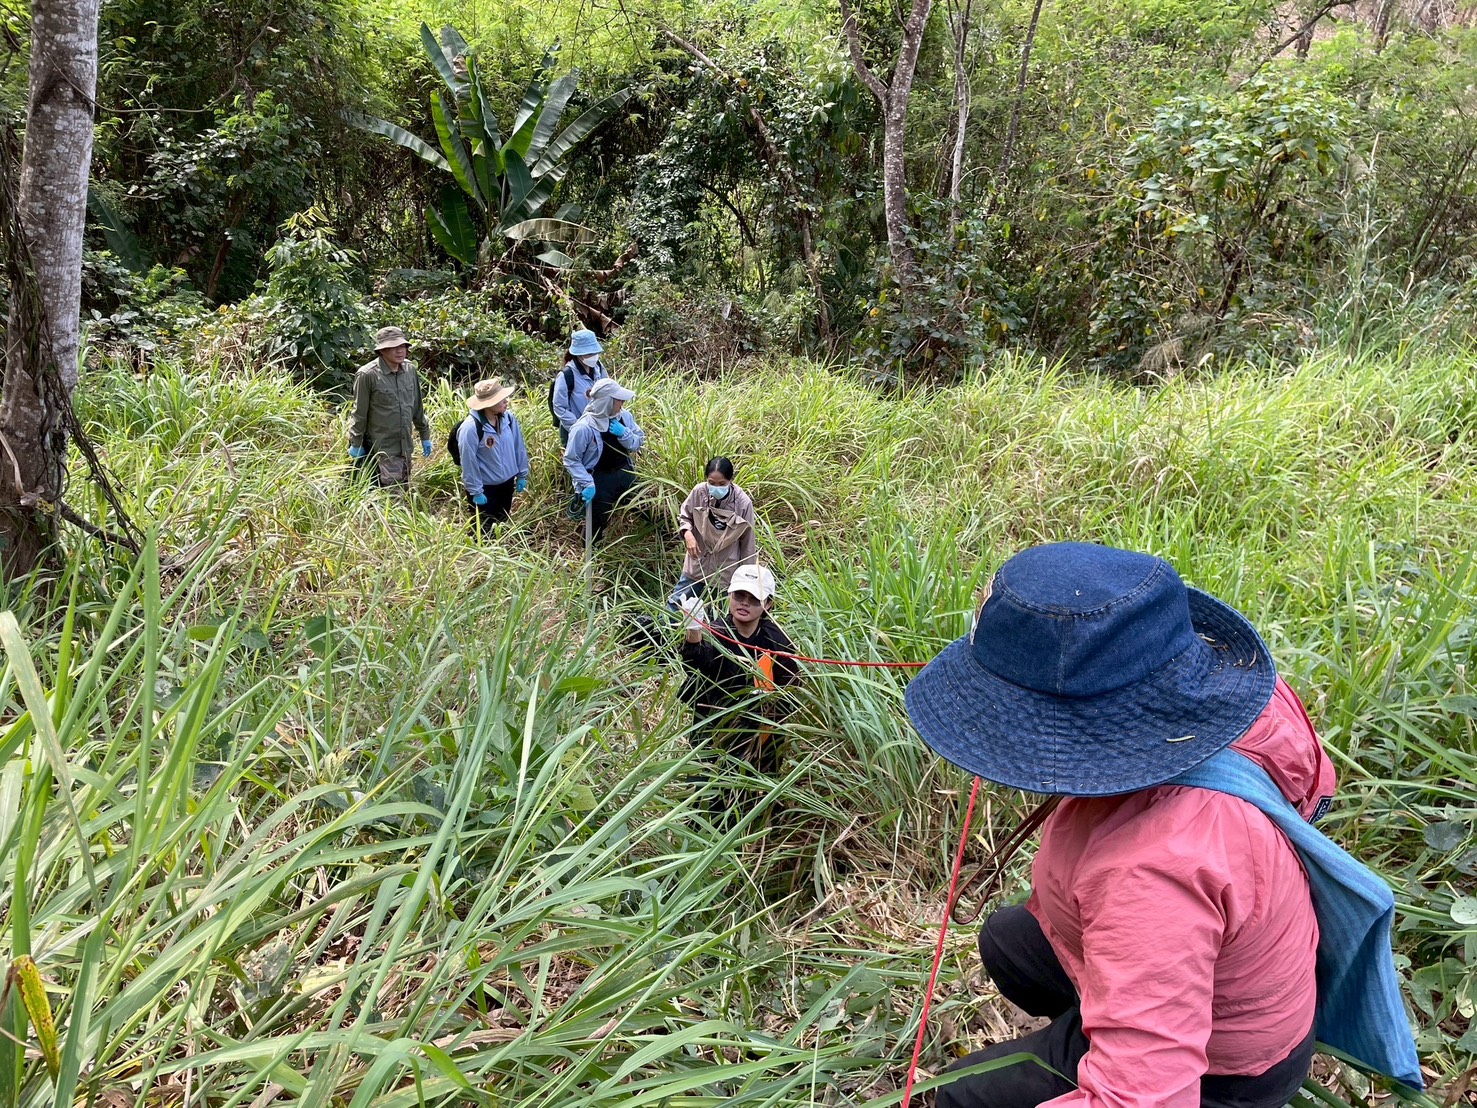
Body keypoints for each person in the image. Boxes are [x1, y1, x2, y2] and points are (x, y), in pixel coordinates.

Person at [903, 542, 1422, 1108]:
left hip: (1221, 1070)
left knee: (958, 1098)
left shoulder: (1151, 873)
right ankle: (1123, 1018)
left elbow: (1142, 1101)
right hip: (1225, 979)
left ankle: (1126, 1036)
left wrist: (1138, 1045)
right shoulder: (1228, 707)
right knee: (1010, 940)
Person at [677, 564, 800, 785]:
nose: (744, 602)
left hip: (760, 729)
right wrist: (693, 631)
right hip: (712, 724)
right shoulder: (716, 631)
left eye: (754, 598)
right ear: (730, 595)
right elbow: (696, 663)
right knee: (702, 791)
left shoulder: (777, 640)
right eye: (739, 595)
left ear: (768, 604)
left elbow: (790, 689)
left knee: (753, 790)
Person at [562, 377, 645, 541]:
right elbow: (571, 459)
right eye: (618, 400)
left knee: (645, 507)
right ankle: (592, 556)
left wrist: (624, 434)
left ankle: (665, 537)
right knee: (597, 522)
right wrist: (586, 483)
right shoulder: (583, 428)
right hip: (599, 480)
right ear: (606, 402)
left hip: (625, 472)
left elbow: (638, 442)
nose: (622, 403)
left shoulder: (624, 417)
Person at [348, 326, 431, 489]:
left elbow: (417, 406)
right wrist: (356, 443)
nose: (399, 351)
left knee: (403, 488)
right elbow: (359, 413)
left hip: (404, 445)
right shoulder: (368, 375)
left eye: (402, 346)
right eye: (393, 347)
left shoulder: (409, 370)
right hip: (382, 448)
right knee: (391, 496)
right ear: (382, 350)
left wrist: (424, 434)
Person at [669, 457, 758, 609]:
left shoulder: (743, 503)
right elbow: (684, 516)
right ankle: (662, 631)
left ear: (731, 480)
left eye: (722, 484)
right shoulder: (699, 492)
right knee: (675, 607)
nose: (716, 487)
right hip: (697, 566)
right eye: (711, 483)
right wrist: (687, 534)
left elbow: (748, 543)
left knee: (715, 619)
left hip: (725, 573)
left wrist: (746, 580)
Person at [455, 378, 529, 537]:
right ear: (487, 404)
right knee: (483, 531)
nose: (506, 401)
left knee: (501, 524)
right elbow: (468, 462)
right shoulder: (470, 427)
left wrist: (522, 474)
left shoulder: (508, 419)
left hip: (507, 483)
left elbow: (519, 447)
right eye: (501, 399)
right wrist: (475, 491)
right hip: (485, 487)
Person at [551, 328, 609, 447]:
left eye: (595, 353)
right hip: (575, 430)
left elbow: (608, 390)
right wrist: (580, 429)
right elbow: (559, 407)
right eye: (589, 354)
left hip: (598, 426)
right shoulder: (566, 375)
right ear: (579, 354)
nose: (593, 356)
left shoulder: (598, 367)